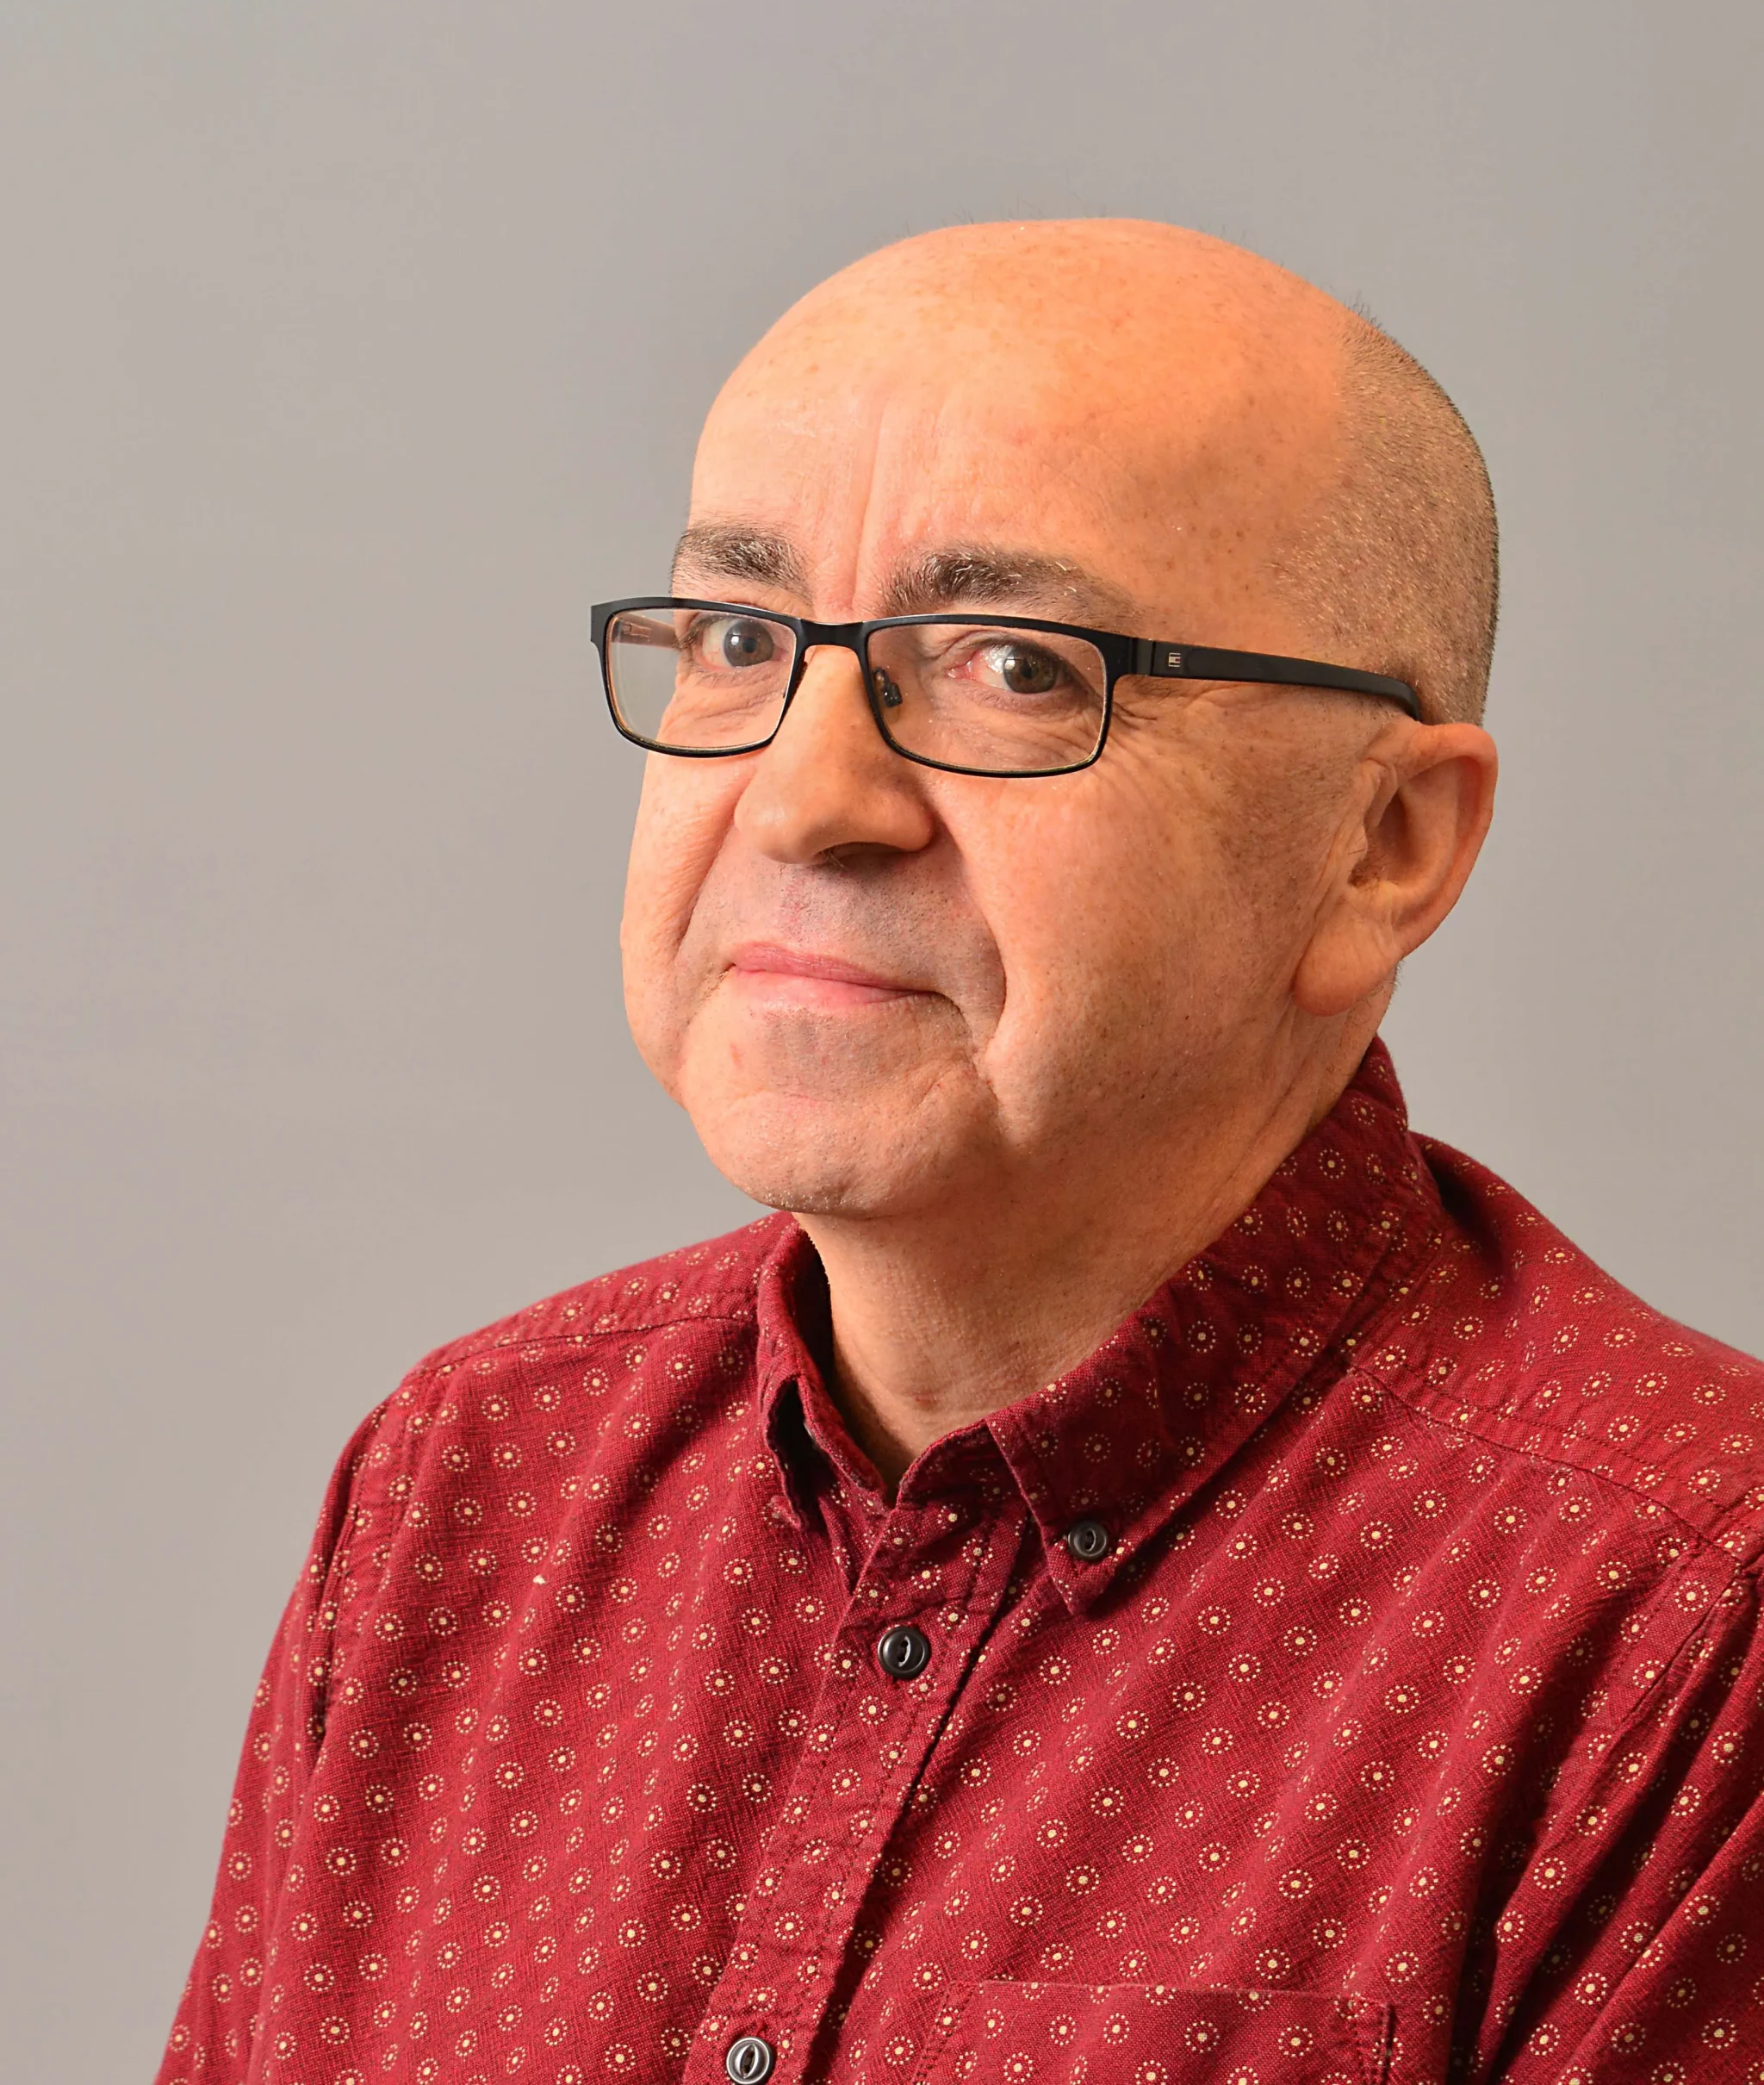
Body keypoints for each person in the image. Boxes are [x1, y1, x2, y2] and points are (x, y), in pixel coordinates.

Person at [157, 222, 1762, 2085]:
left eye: (1012, 664)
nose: (805, 798)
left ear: (1383, 844)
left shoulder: (1687, 1634)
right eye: (741, 640)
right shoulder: (463, 1486)